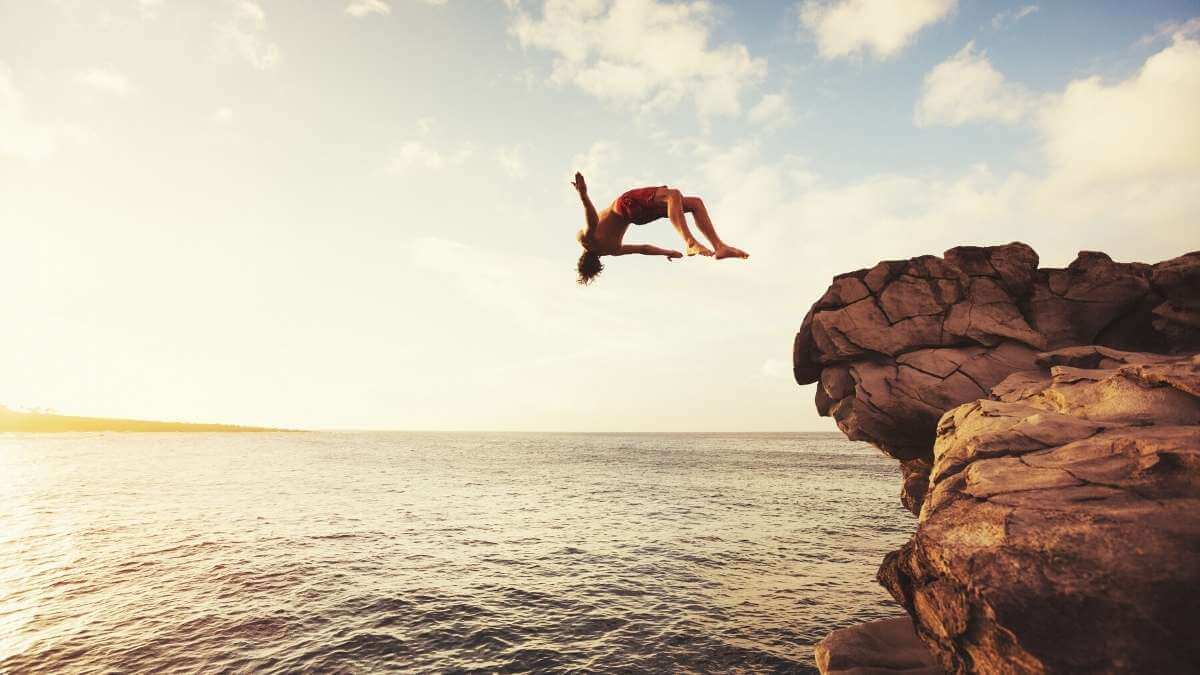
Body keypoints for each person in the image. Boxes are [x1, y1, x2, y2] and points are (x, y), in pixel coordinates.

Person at [571, 172, 749, 285]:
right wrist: (584, 196)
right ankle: (691, 242)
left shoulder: (613, 250)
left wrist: (668, 252)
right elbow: (593, 222)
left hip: (638, 217)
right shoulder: (585, 240)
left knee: (693, 203)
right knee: (673, 195)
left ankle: (720, 247)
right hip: (625, 205)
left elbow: (643, 249)